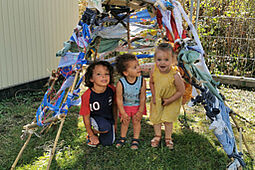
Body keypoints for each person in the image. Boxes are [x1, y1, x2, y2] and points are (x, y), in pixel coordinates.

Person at [149, 43, 185, 149]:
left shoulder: (175, 75)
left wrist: (170, 100)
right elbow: (151, 82)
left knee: (168, 120)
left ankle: (168, 138)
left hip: (172, 100)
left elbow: (181, 90)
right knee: (156, 118)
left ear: (173, 60)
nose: (162, 63)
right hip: (158, 99)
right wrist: (154, 95)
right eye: (159, 60)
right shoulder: (154, 70)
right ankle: (157, 135)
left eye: (166, 60)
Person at [79, 61, 117, 147]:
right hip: (95, 118)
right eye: (99, 74)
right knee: (104, 127)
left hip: (108, 118)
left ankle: (104, 130)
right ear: (91, 79)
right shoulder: (87, 96)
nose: (104, 76)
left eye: (106, 74)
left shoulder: (112, 89)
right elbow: (86, 116)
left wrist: (115, 123)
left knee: (107, 143)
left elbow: (114, 106)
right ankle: (91, 133)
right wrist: (92, 135)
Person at [115, 54, 146, 149]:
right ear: (126, 73)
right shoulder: (121, 83)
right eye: (135, 67)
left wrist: (141, 110)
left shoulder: (142, 81)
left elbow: (143, 97)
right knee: (125, 122)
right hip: (125, 106)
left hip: (137, 105)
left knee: (136, 122)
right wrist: (122, 113)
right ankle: (122, 137)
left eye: (138, 65)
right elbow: (119, 99)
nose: (138, 68)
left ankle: (135, 139)